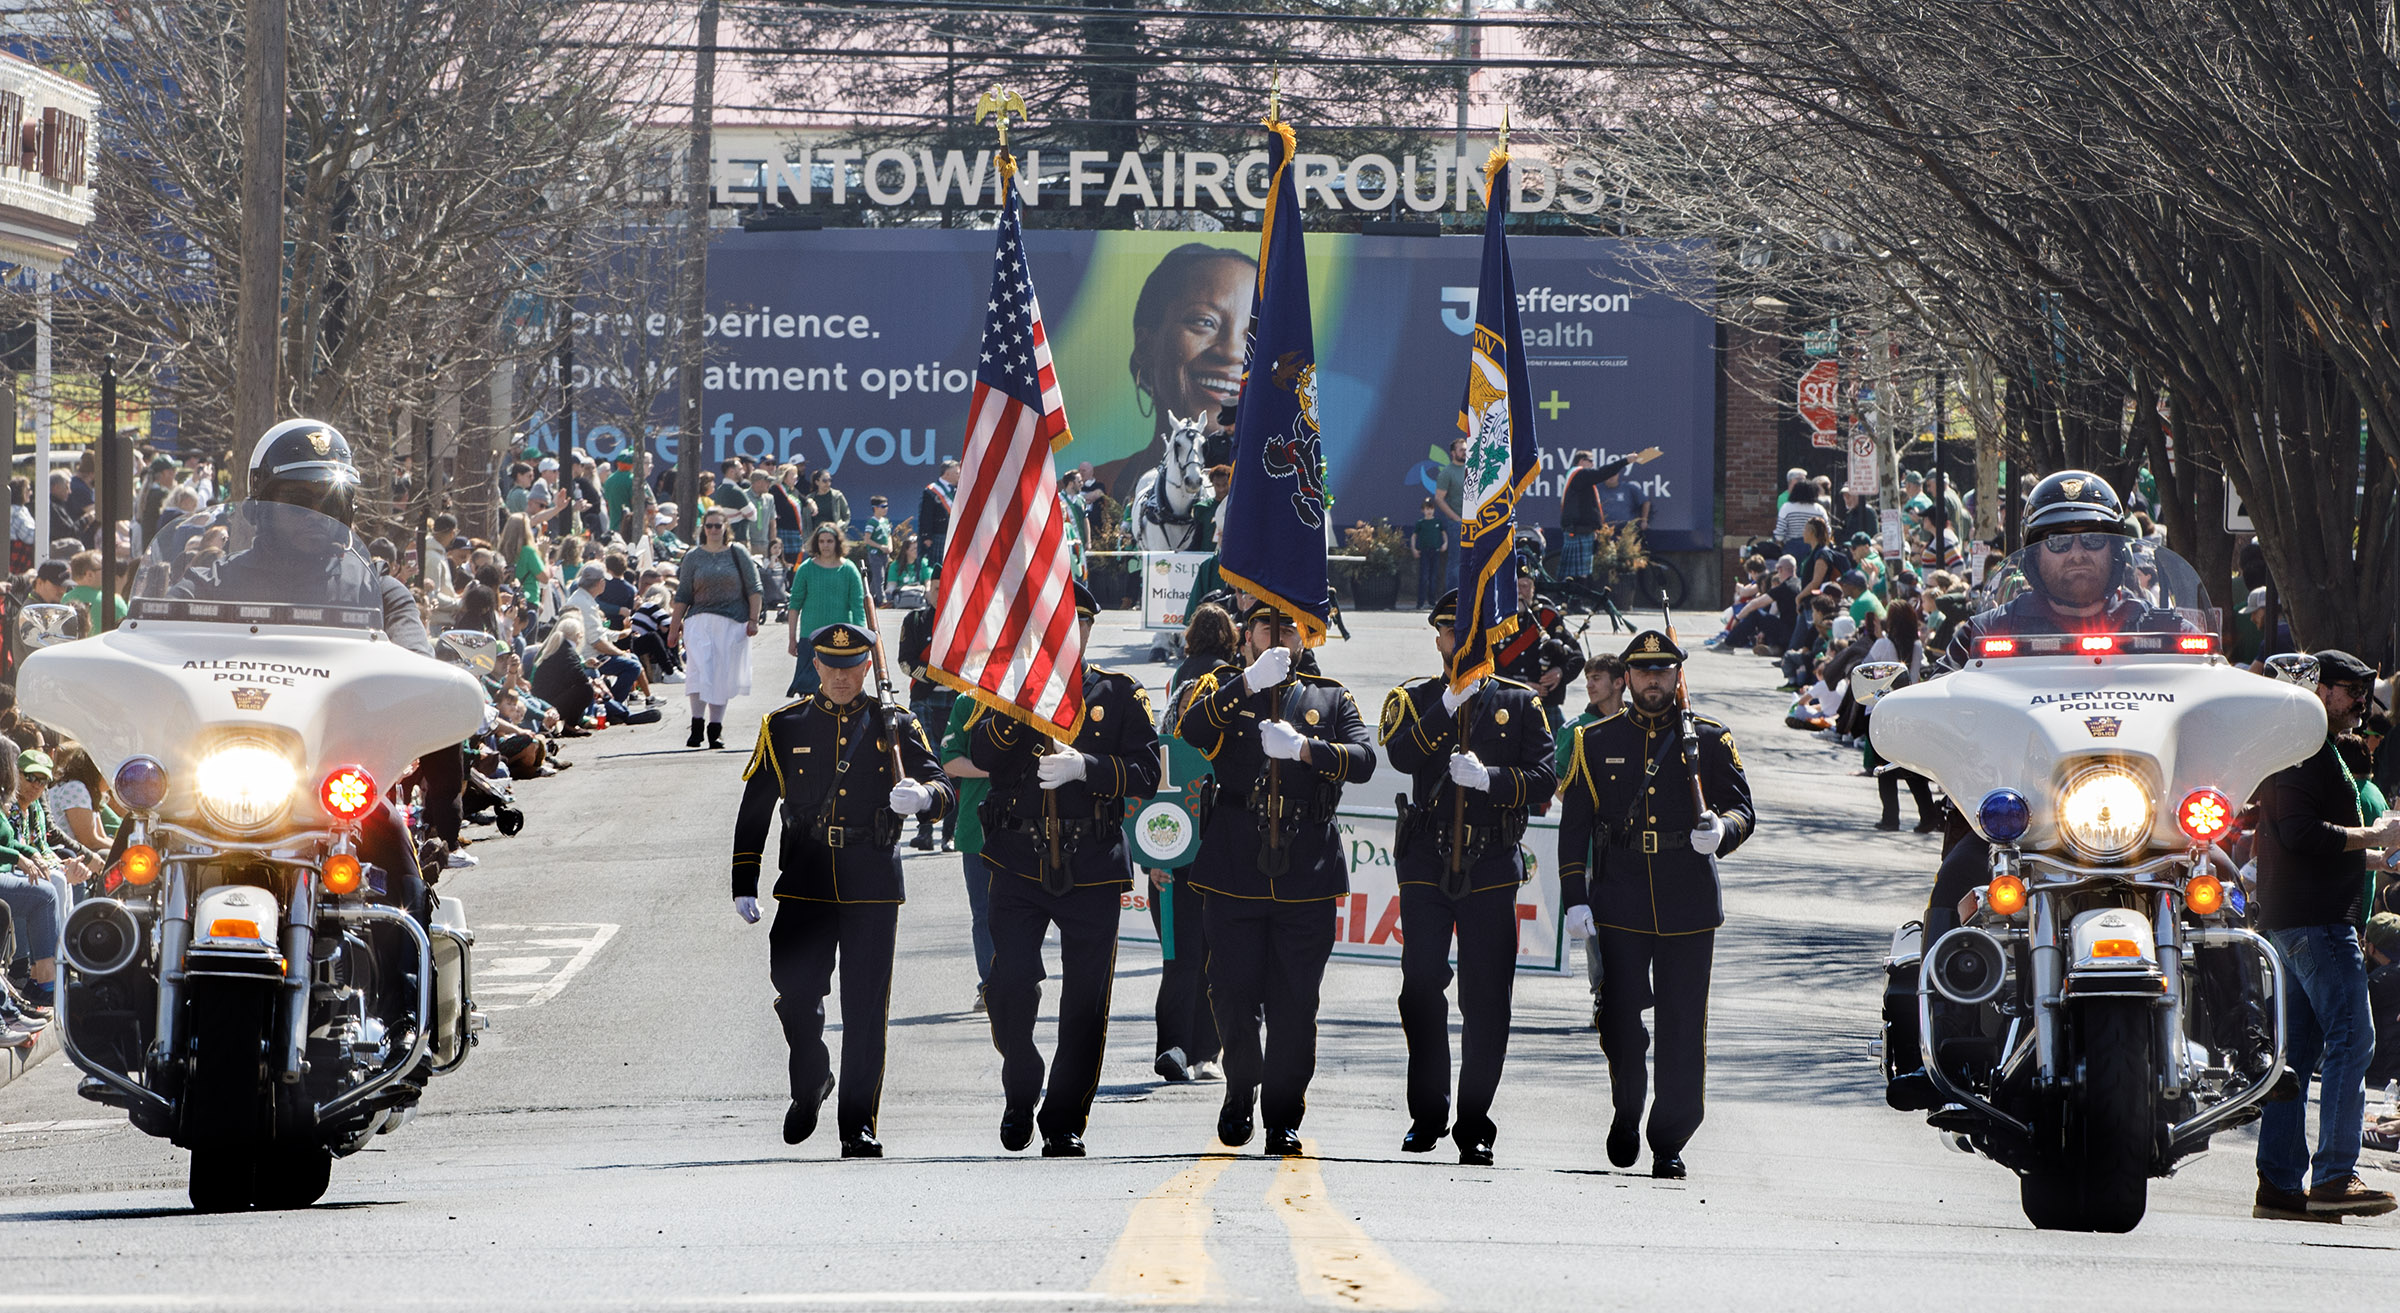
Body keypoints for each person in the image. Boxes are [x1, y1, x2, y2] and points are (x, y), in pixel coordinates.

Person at [730, 622, 954, 1158]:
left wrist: (921, 796)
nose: (840, 677)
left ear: (867, 667)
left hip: (872, 878)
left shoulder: (894, 723)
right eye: (830, 666)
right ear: (816, 666)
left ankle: (858, 1123)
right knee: (795, 990)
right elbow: (756, 806)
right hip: (805, 877)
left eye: (852, 666)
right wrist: (744, 879)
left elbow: (944, 785)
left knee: (865, 1009)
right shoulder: (784, 725)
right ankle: (811, 1076)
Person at [1175, 601, 1376, 1156]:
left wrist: (1309, 749)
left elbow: (1363, 758)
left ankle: (1283, 1115)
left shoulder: (1330, 696)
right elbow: (1190, 729)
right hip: (1235, 862)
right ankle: (1241, 1086)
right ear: (1248, 634)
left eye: (1290, 626)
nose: (1280, 634)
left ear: (1307, 635)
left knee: (1295, 1003)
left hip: (1305, 867)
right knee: (1233, 994)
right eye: (1267, 624)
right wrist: (1245, 684)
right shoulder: (1223, 687)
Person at [967, 581, 1161, 1156]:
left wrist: (1087, 768)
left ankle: (1065, 1117)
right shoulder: (1006, 687)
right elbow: (980, 754)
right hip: (1019, 861)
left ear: (1087, 630)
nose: (1061, 634)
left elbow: (1147, 772)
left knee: (1085, 999)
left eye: (1071, 624)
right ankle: (1021, 1081)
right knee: (1008, 984)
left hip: (1093, 862)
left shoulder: (1119, 694)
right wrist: (1020, 705)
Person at [1557, 628, 1755, 1178]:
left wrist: (1724, 831)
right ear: (1627, 678)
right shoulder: (1594, 742)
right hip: (1619, 898)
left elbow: (1744, 809)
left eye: (1662, 671)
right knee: (1620, 1017)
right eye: (1642, 672)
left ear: (1677, 676)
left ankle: (1669, 1136)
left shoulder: (1709, 741)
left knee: (1682, 1024)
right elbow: (1574, 831)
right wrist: (1575, 898)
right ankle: (1626, 1107)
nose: (1652, 681)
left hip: (1688, 901)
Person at [1380, 591, 1556, 1165]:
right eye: (1451, 632)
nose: (1460, 641)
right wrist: (1447, 706)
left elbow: (1544, 780)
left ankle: (1475, 1119)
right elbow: (1402, 756)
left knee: (1487, 999)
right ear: (1438, 640)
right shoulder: (1417, 698)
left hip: (1489, 862)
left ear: (1492, 638)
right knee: (1421, 985)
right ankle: (1427, 1112)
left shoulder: (1521, 704)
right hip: (1427, 860)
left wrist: (1492, 780)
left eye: (1472, 632)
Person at [2249, 647, 2400, 1221]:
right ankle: (2336, 1174)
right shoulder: (2305, 749)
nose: (2361, 701)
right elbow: (2303, 834)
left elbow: (2301, 846)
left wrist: (2375, 859)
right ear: (2319, 689)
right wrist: (2376, 835)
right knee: (2354, 1040)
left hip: (2300, 919)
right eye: (2350, 689)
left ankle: (2282, 1184)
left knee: (2299, 1054)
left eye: (2365, 689)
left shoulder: (2312, 749)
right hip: (2316, 925)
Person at [1151, 604, 1237, 1084]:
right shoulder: (1237, 687)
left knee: (1179, 955)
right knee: (1216, 955)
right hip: (1221, 838)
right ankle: (1207, 1051)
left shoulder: (1178, 688)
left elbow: (1160, 766)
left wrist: (1154, 853)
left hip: (1176, 838)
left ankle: (1175, 1046)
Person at [1098, 243, 1257, 500]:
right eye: (1204, 322)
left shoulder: (1279, 498)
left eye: (1252, 334)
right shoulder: (1090, 488)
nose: (1231, 352)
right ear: (1145, 344)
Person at [1555, 652, 1628, 1018]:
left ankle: (1630, 990)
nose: (1590, 685)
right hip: (1590, 847)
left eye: (1597, 678)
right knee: (1596, 926)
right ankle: (1603, 993)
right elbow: (1560, 785)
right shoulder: (1575, 729)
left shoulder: (1639, 723)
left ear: (1619, 682)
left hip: (1633, 844)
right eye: (1588, 678)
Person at [669, 508, 762, 749]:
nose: (712, 530)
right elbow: (683, 594)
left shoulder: (736, 552)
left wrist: (753, 619)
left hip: (732, 621)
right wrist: (673, 627)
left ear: (725, 528)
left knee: (721, 676)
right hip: (699, 619)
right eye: (708, 526)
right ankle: (696, 725)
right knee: (699, 671)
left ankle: (715, 729)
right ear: (703, 529)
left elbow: (754, 587)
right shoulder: (693, 557)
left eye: (717, 526)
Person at [785, 525, 867, 697]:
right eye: (821, 541)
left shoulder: (849, 569)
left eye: (830, 541)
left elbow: (858, 607)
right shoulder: (806, 568)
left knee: (838, 691)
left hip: (840, 641)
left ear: (837, 543)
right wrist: (792, 638)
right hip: (811, 639)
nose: (825, 545)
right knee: (808, 694)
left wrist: (862, 639)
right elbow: (794, 606)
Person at [1432, 439, 1469, 591]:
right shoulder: (1447, 473)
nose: (1465, 452)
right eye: (1461, 450)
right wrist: (1456, 518)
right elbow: (1439, 499)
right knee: (1456, 562)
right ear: (1453, 453)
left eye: (1466, 449)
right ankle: (1452, 597)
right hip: (1457, 524)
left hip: (1474, 523)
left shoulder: (1473, 470)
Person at [918, 459, 960, 572]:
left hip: (955, 534)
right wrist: (926, 536)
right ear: (947, 474)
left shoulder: (959, 490)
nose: (959, 475)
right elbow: (926, 515)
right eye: (957, 473)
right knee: (939, 567)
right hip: (939, 534)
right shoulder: (932, 491)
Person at [858, 495, 894, 606]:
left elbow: (888, 535)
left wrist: (890, 546)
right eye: (883, 506)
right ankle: (881, 600)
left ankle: (868, 598)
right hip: (875, 554)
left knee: (876, 579)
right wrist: (880, 547)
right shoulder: (871, 523)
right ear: (875, 508)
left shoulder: (885, 521)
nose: (886, 509)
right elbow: (867, 539)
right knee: (880, 577)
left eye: (887, 506)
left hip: (884, 554)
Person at [1411, 498, 1446, 607]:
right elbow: (1414, 536)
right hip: (1424, 552)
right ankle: (1420, 602)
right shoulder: (1420, 523)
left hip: (1435, 551)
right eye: (1426, 509)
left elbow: (1444, 533)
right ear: (1423, 510)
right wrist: (1414, 549)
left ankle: (1432, 601)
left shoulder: (1437, 522)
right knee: (1424, 577)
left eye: (1431, 508)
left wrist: (1445, 543)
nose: (1429, 511)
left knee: (1433, 577)